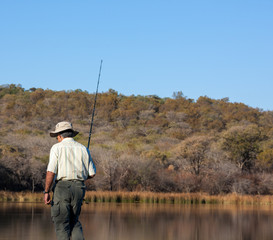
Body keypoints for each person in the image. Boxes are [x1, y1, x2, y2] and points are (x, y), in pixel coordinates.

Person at [44, 121, 96, 240]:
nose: (57, 139)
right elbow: (92, 173)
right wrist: (80, 176)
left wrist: (46, 191)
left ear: (60, 136)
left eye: (57, 137)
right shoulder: (83, 149)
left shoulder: (56, 148)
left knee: (62, 223)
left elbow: (51, 171)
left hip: (62, 188)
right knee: (74, 221)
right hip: (79, 188)